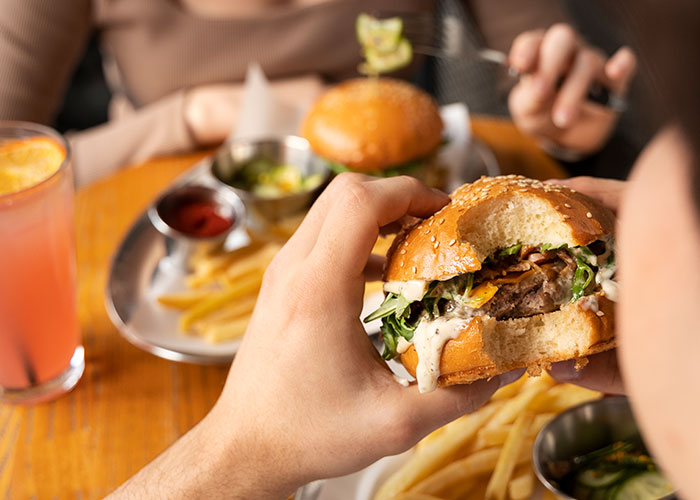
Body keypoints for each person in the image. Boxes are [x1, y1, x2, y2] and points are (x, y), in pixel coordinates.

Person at [0, 0, 635, 186]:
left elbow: (540, 58)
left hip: (399, 214)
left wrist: (565, 107)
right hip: (162, 225)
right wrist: (194, 115)